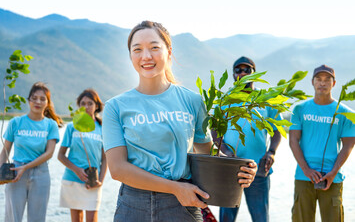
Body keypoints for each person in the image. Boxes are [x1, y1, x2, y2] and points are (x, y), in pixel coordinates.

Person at [102, 21, 257, 222]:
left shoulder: (192, 101)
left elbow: (207, 152)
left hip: (183, 206)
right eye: (137, 49)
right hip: (133, 205)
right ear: (130, 55)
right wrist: (174, 188)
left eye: (154, 47)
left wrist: (240, 169)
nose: (146, 56)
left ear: (168, 52)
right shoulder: (115, 107)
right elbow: (118, 169)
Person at [219, 56, 282, 222]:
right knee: (226, 219)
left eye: (247, 69)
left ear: (254, 73)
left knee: (260, 218)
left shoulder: (266, 99)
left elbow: (277, 130)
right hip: (229, 168)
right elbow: (215, 129)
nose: (243, 73)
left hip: (259, 168)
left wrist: (272, 152)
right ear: (233, 75)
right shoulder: (226, 99)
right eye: (238, 70)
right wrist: (224, 151)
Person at [289, 65, 355, 222]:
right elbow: (293, 141)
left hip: (332, 178)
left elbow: (348, 146)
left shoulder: (346, 113)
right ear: (312, 82)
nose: (322, 83)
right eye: (319, 79)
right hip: (304, 177)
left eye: (327, 80)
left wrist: (333, 172)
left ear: (334, 83)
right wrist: (306, 169)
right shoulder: (299, 109)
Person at [0, 82, 62, 222]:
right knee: (12, 218)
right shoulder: (15, 122)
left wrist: (26, 167)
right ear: (29, 100)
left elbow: (49, 153)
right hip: (15, 173)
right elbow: (5, 151)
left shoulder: (50, 124)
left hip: (41, 174)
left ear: (47, 103)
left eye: (42, 99)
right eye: (34, 98)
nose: (38, 102)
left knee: (37, 219)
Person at [58, 89, 107, 222]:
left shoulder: (103, 128)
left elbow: (105, 159)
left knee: (92, 219)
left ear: (96, 106)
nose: (86, 107)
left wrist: (100, 181)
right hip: (73, 178)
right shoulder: (72, 126)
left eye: (90, 103)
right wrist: (77, 170)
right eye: (82, 103)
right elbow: (61, 155)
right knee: (76, 219)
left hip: (92, 180)